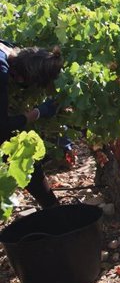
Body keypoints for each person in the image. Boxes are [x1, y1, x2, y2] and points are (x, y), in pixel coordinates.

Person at [0, 39, 63, 208]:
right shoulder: (1, 71)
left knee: (19, 149)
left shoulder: (8, 46)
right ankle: (52, 208)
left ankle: (52, 207)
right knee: (17, 150)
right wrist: (37, 113)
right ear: (21, 78)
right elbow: (2, 126)